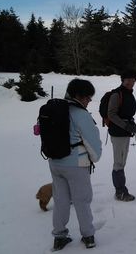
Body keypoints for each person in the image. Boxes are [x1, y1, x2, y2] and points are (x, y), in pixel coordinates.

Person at [49, 78, 102, 251]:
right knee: (82, 200)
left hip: (55, 162)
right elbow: (92, 142)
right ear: (79, 96)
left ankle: (59, 236)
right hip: (76, 164)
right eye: (88, 97)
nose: (89, 101)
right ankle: (88, 236)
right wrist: (95, 158)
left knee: (61, 200)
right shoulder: (80, 114)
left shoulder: (54, 109)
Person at [108, 69, 136, 201]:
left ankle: (121, 190)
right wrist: (126, 125)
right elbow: (111, 114)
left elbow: (126, 113)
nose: (131, 82)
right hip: (118, 132)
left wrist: (131, 123)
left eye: (133, 80)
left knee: (121, 162)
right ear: (122, 80)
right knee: (118, 163)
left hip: (125, 132)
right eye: (128, 80)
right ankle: (120, 192)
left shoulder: (128, 93)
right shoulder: (117, 94)